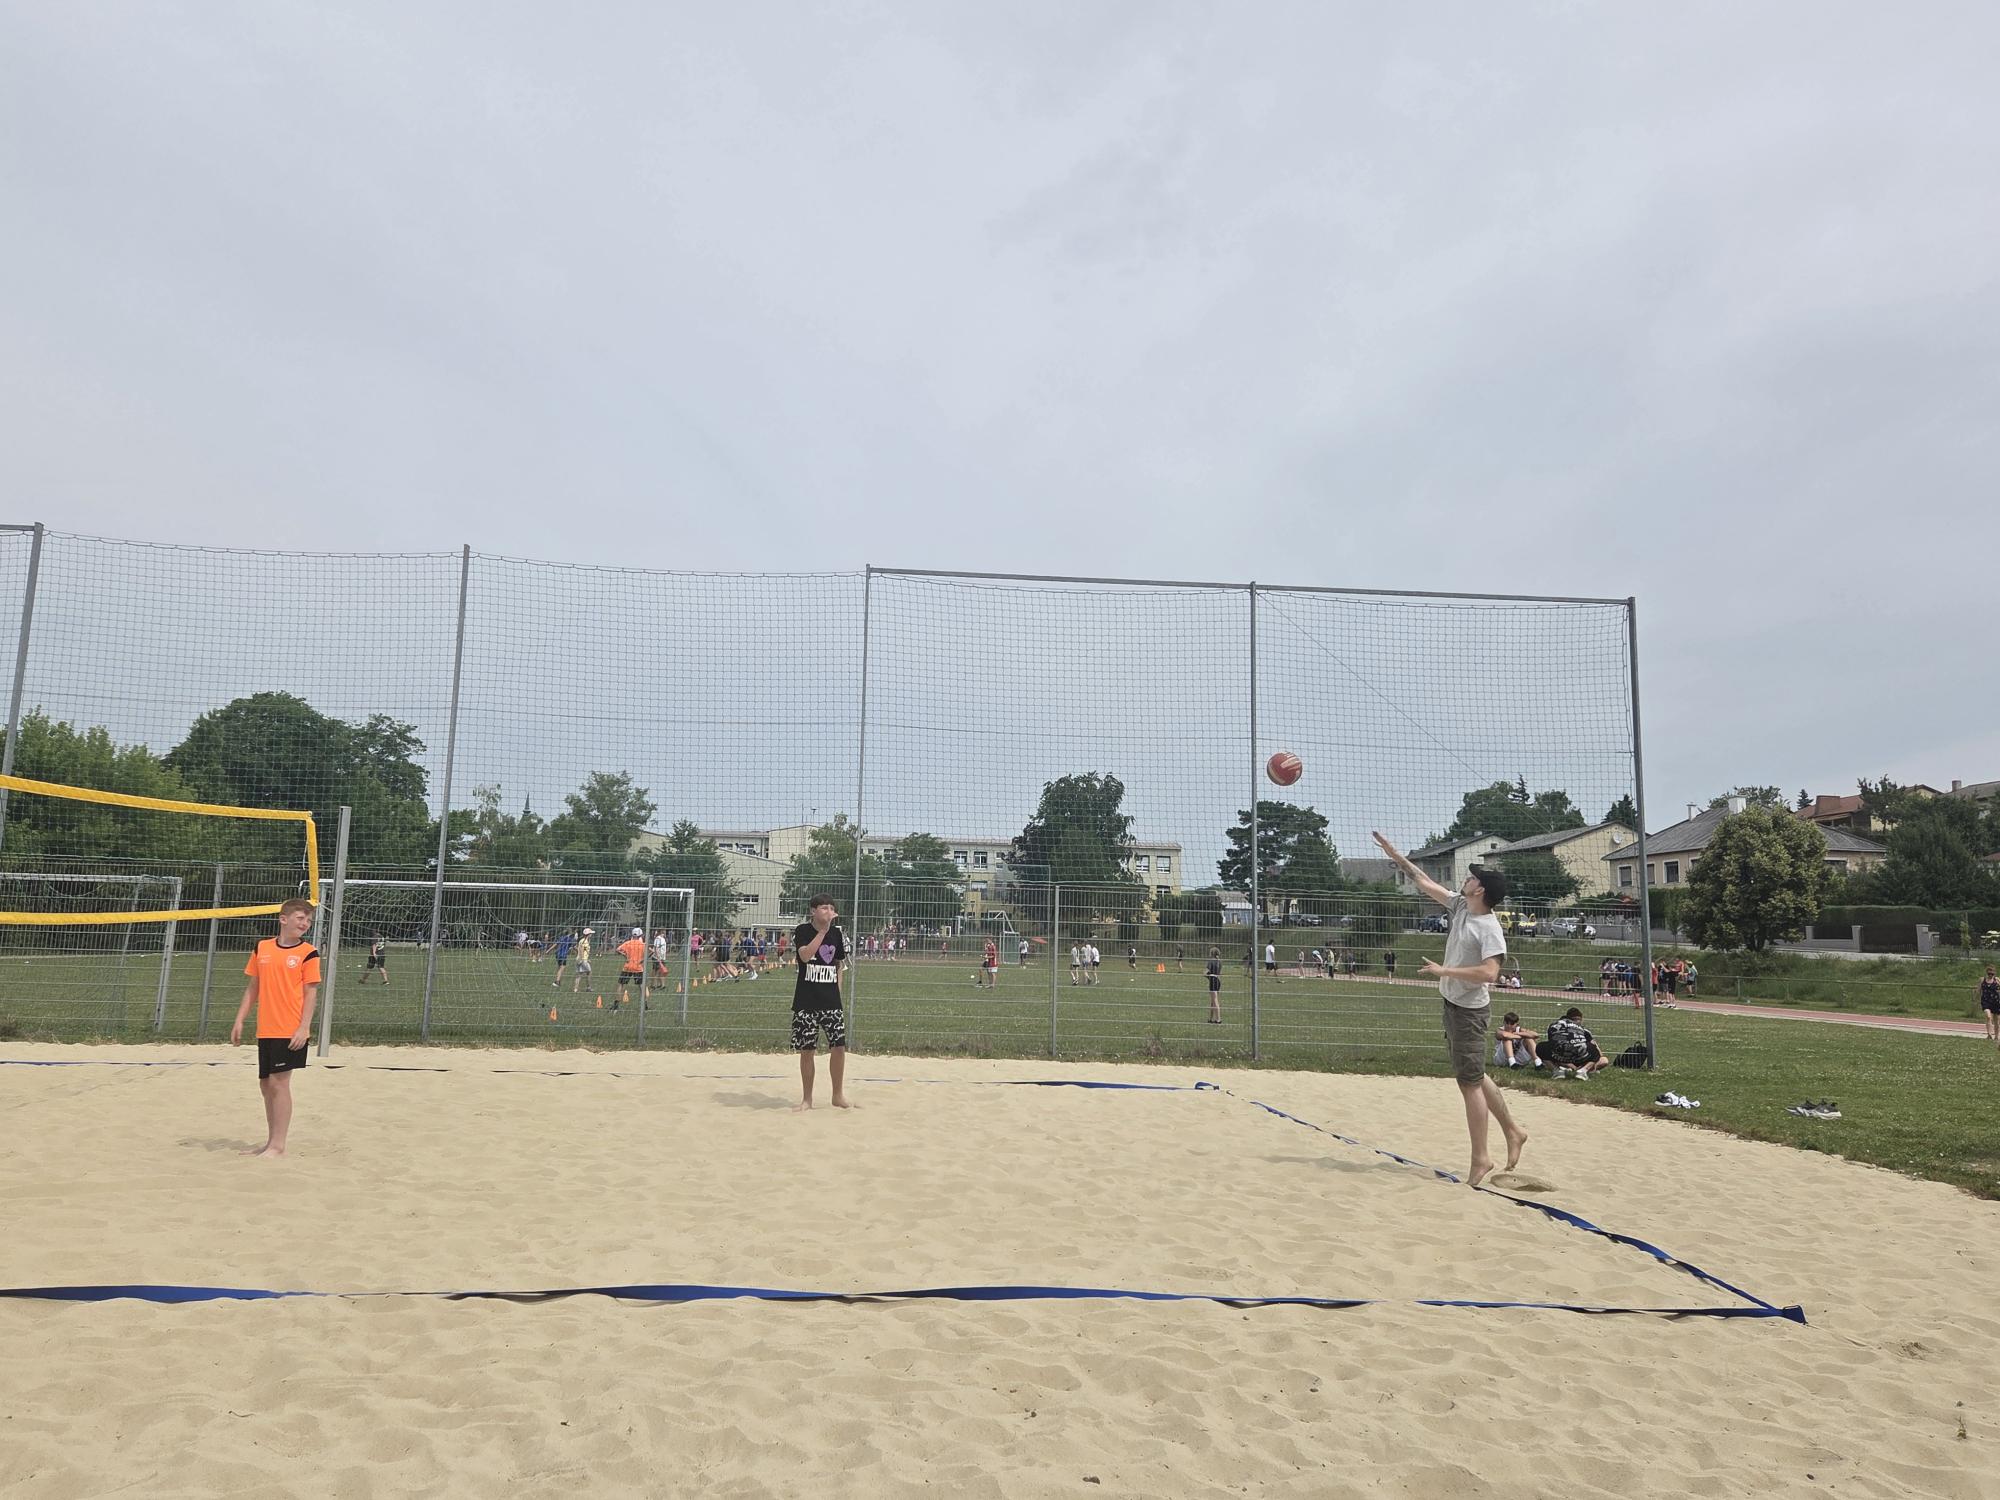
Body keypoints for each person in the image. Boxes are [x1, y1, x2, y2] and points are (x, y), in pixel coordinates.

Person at [1371, 832, 1526, 1187]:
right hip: (1453, 1004)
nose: (1466, 879)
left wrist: (1445, 971)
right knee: (1474, 1075)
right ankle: (1513, 1131)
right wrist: (1396, 855)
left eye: (1472, 878)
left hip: (1470, 1012)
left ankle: (1481, 1158)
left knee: (1468, 1084)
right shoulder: (1460, 906)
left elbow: (1490, 973)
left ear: (1480, 890)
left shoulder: (1489, 929)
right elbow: (1424, 881)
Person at [230, 897, 320, 1159]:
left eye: (308, 920)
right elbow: (253, 988)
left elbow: (311, 993)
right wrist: (239, 1019)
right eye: (300, 918)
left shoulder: (309, 952)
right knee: (266, 1085)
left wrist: (304, 1028)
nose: (305, 923)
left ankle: (278, 1146)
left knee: (280, 1084)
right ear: (283, 919)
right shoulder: (262, 948)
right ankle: (270, 1142)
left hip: (289, 1029)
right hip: (266, 1028)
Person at [791, 895, 852, 1110]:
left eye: (831, 908)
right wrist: (823, 932)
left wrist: (837, 991)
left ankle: (837, 1095)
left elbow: (838, 965)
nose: (829, 911)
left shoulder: (837, 934)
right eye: (824, 908)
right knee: (807, 1050)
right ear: (813, 911)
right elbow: (805, 956)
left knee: (839, 1047)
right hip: (806, 1001)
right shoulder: (803, 931)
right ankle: (807, 1099)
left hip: (831, 1002)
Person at [1546, 1006, 1612, 1078]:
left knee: (1604, 1060)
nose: (1577, 1022)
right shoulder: (1560, 1029)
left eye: (1579, 1019)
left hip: (1581, 1058)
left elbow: (1599, 1053)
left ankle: (1579, 1069)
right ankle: (1580, 1070)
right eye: (1574, 1019)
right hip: (1565, 1059)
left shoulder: (1585, 1031)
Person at [614, 927, 646, 1009]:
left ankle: (616, 1005)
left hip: (628, 967)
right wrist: (643, 960)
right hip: (638, 967)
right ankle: (644, 1005)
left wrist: (625, 955)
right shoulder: (642, 944)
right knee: (641, 986)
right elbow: (652, 951)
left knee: (621, 985)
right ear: (640, 935)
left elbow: (617, 949)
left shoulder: (627, 943)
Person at [1980, 965, 2000, 1048]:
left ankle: (1996, 1036)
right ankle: (1989, 1034)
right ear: (1987, 973)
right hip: (1985, 1001)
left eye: (1992, 974)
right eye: (1989, 974)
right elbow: (1978, 990)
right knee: (1988, 1016)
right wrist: (1975, 999)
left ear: (1994, 973)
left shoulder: (1997, 980)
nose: (1991, 975)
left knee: (1997, 1021)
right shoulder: (1982, 980)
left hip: (1996, 1001)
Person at [570, 927, 593, 994]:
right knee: (589, 972)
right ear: (588, 934)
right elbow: (581, 950)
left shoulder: (581, 940)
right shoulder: (585, 941)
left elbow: (577, 948)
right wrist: (583, 959)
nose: (591, 934)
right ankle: (588, 988)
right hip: (583, 960)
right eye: (590, 933)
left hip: (579, 959)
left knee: (579, 975)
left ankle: (575, 989)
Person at [1205, 945, 1223, 1024]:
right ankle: (1210, 1018)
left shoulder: (1210, 961)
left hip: (1212, 981)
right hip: (1218, 980)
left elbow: (1205, 972)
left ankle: (1218, 1019)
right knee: (1212, 1001)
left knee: (1215, 1000)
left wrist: (1208, 976)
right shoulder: (1219, 962)